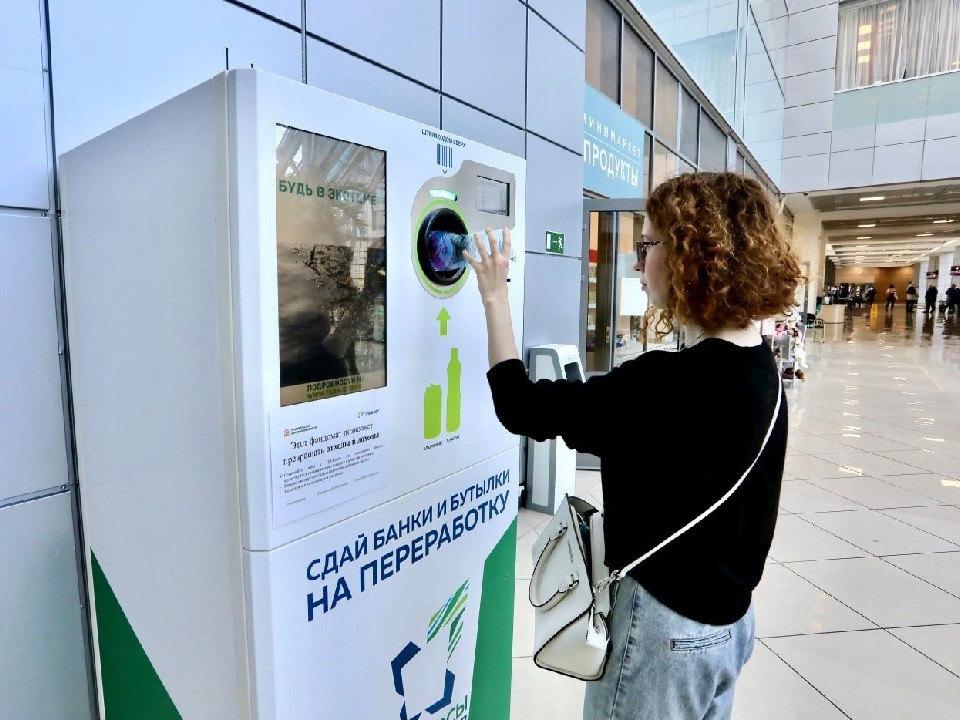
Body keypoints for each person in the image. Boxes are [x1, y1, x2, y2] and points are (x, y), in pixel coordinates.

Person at [465, 172, 798, 720]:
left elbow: (520, 406)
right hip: (728, 628)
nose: (638, 263)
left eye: (647, 245)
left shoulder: (663, 384)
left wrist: (495, 297)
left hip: (661, 633)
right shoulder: (762, 370)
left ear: (694, 255)